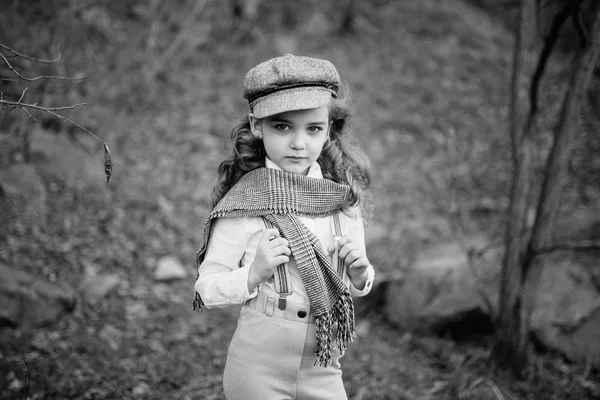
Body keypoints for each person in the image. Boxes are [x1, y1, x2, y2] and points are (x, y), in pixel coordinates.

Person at [193, 53, 375, 400]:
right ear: (256, 124)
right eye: (282, 126)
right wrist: (253, 274)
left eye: (313, 129)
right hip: (257, 366)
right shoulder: (244, 205)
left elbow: (360, 279)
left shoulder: (341, 201)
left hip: (323, 363)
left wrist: (362, 274)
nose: (298, 143)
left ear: (329, 130)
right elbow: (205, 289)